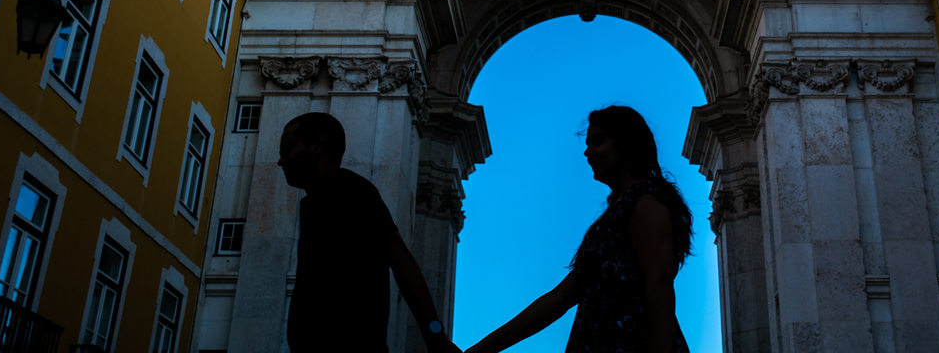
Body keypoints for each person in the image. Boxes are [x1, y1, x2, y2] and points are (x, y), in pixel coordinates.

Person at [466, 105, 693, 353]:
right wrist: (481, 349)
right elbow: (559, 298)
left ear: (626, 141)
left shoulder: (645, 203)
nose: (588, 152)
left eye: (598, 141)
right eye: (588, 143)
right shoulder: (621, 211)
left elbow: (659, 283)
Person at [278, 112, 462, 353]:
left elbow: (401, 259)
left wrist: (436, 337)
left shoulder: (347, 189)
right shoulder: (326, 197)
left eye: (287, 149)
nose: (281, 161)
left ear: (318, 144)